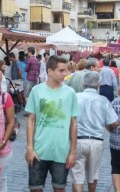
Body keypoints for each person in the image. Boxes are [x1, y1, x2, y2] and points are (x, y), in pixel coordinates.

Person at [25, 55, 79, 191]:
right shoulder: (36, 91)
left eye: (66, 70)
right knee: (35, 188)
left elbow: (73, 123)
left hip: (61, 151)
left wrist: (73, 151)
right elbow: (31, 120)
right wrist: (30, 148)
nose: (65, 74)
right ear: (50, 71)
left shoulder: (70, 92)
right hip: (39, 150)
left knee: (59, 188)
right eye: (61, 71)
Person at [68, 72, 119, 192]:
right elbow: (114, 122)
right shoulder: (103, 100)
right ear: (98, 84)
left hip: (78, 140)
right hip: (96, 141)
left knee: (77, 176)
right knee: (93, 175)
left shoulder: (75, 97)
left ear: (84, 83)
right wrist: (108, 127)